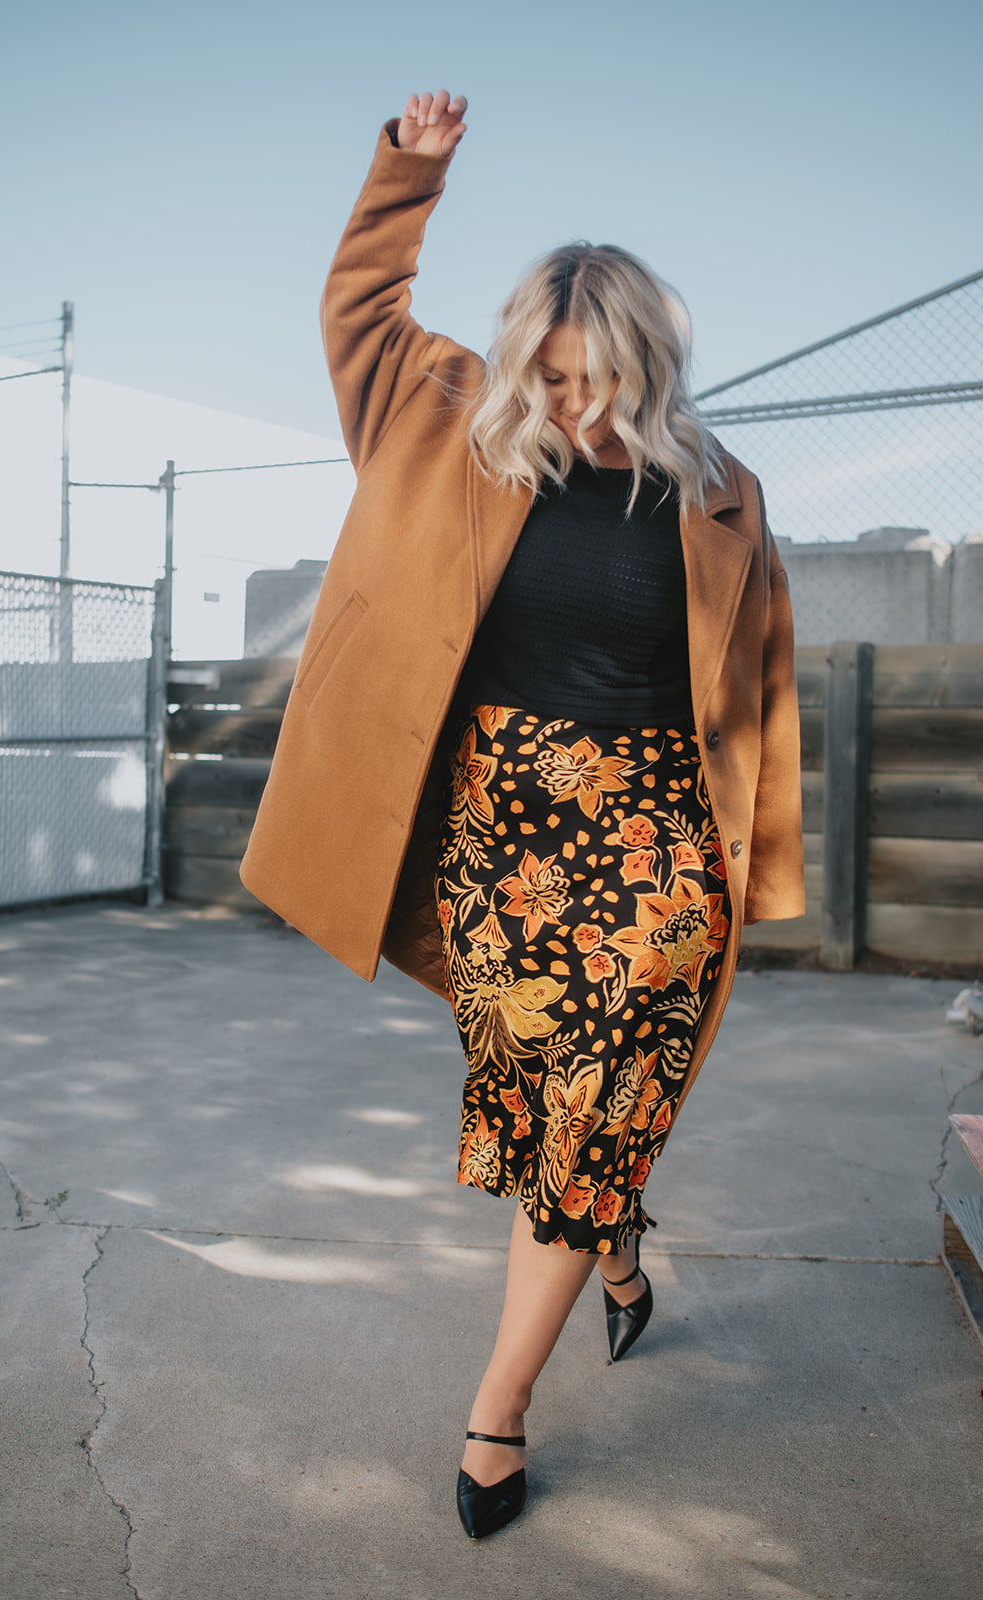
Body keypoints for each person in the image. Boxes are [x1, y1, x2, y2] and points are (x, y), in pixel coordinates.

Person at [240, 89, 804, 1540]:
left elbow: (755, 695)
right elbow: (359, 311)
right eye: (550, 376)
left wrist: (754, 871)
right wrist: (407, 175)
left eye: (602, 379)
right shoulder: (443, 431)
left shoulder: (722, 497)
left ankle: (496, 1416)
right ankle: (617, 1249)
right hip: (498, 845)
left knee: (592, 1111)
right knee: (546, 1112)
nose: (575, 404)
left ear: (651, 367)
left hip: (658, 854)